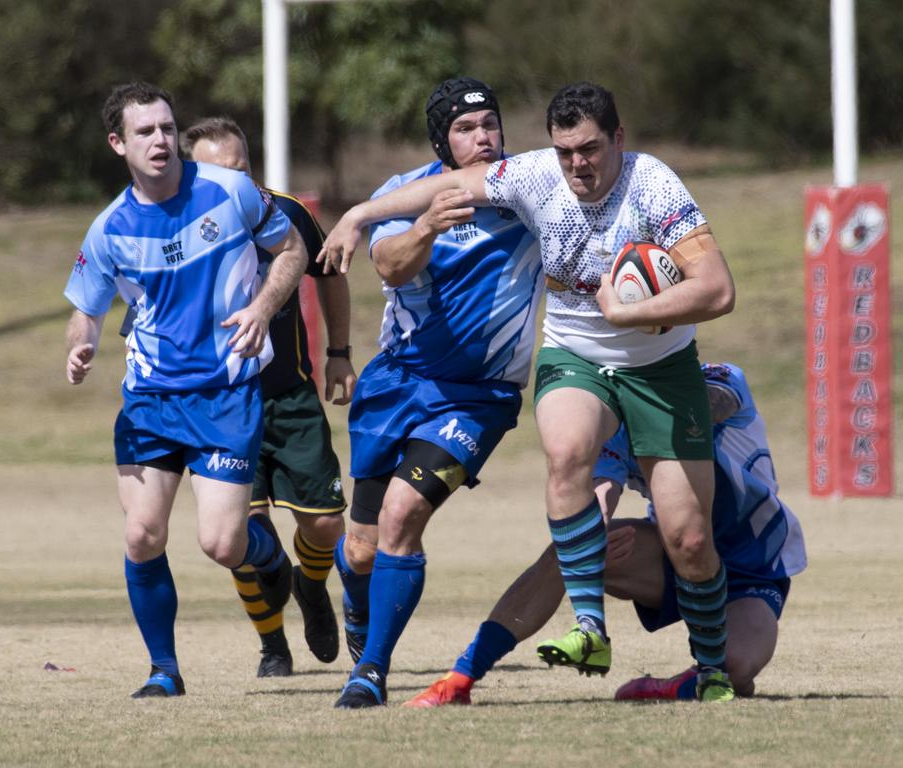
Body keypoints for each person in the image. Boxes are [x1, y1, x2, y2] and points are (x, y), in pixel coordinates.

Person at [320, 81, 738, 701]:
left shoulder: (653, 185)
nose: (578, 166)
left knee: (690, 540)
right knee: (566, 453)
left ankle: (712, 670)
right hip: (569, 357)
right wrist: (358, 214)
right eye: (565, 151)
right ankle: (589, 626)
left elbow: (719, 290)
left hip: (657, 369)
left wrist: (628, 313)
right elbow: (447, 187)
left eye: (591, 150)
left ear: (618, 139)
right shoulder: (535, 176)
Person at [63, 82, 307, 698]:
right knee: (143, 534)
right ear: (118, 143)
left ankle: (272, 562)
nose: (160, 141)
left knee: (222, 543)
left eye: (167, 128)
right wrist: (81, 342)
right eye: (144, 132)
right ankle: (164, 671)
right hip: (150, 398)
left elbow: (292, 249)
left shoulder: (230, 191)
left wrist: (261, 306)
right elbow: (84, 307)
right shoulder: (109, 228)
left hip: (225, 395)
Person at [405, 363, 807, 706]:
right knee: (567, 550)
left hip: (752, 568)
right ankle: (460, 678)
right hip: (669, 556)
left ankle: (677, 684)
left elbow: (710, 406)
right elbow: (600, 496)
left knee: (735, 670)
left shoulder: (719, 377)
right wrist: (591, 538)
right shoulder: (614, 430)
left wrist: (644, 398)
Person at [331, 77, 544, 708]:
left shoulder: (527, 190)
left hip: (477, 398)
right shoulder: (403, 194)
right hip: (397, 385)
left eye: (490, 125)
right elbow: (391, 266)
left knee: (404, 516)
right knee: (362, 548)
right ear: (440, 141)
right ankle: (356, 599)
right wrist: (425, 225)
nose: (483, 139)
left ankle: (370, 672)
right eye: (465, 129)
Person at [178, 117, 356, 677]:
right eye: (217, 172)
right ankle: (273, 646)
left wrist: (340, 352)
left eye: (242, 168)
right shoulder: (176, 224)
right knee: (241, 533)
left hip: (290, 396)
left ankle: (309, 584)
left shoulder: (287, 212)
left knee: (326, 524)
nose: (234, 181)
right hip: (220, 403)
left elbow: (329, 277)